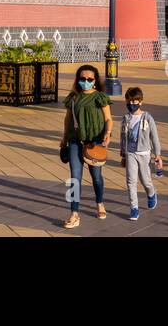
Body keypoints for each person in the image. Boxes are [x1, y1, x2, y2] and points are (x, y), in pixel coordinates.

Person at [59, 63, 112, 228]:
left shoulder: (99, 97)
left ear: (95, 80)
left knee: (96, 177)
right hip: (75, 141)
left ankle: (100, 202)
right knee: (74, 178)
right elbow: (68, 119)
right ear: (78, 80)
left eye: (89, 79)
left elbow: (108, 119)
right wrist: (64, 138)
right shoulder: (73, 97)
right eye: (82, 79)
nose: (86, 81)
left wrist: (107, 134)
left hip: (94, 142)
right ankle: (74, 213)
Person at [118, 86, 161, 218]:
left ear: (140, 102)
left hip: (144, 154)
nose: (131, 105)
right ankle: (134, 208)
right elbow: (122, 137)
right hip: (130, 153)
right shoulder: (126, 119)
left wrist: (157, 155)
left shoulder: (147, 117)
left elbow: (154, 137)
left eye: (134, 102)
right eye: (129, 102)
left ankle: (151, 193)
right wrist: (123, 154)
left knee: (145, 180)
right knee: (131, 181)